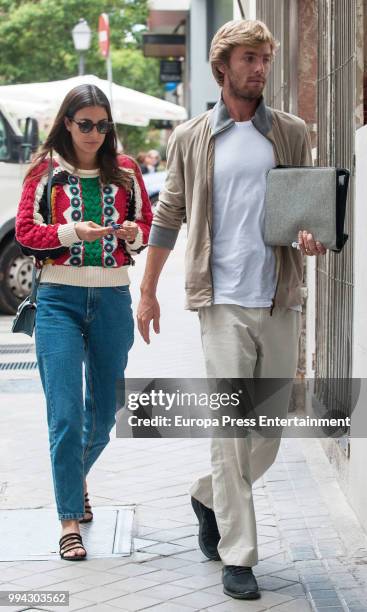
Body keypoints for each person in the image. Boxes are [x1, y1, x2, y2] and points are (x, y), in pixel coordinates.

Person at [137, 19, 326, 600]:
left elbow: (305, 207)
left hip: (277, 295)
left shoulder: (289, 132)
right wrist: (147, 291)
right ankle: (238, 554)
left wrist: (311, 234)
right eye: (249, 59)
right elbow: (168, 215)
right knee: (230, 427)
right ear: (223, 67)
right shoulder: (194, 137)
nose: (260, 69)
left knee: (267, 427)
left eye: (265, 59)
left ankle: (206, 495)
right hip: (219, 301)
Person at [15, 84, 152, 561]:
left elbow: (146, 226)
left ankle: (73, 479)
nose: (95, 133)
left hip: (113, 296)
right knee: (67, 415)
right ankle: (68, 519)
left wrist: (134, 234)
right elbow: (26, 232)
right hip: (57, 299)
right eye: (85, 124)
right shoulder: (44, 172)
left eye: (102, 124)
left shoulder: (128, 172)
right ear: (67, 123)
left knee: (103, 416)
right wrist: (71, 231)